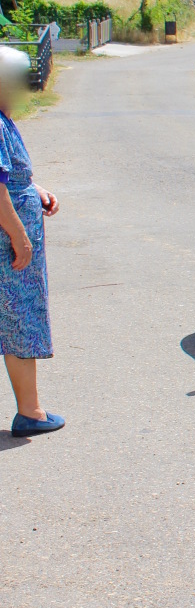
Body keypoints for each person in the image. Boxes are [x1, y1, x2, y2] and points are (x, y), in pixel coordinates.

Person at [0, 46, 62, 438]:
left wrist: (34, 189)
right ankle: (31, 413)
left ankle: (31, 410)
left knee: (13, 321)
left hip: (14, 233)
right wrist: (19, 237)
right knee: (19, 320)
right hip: (9, 244)